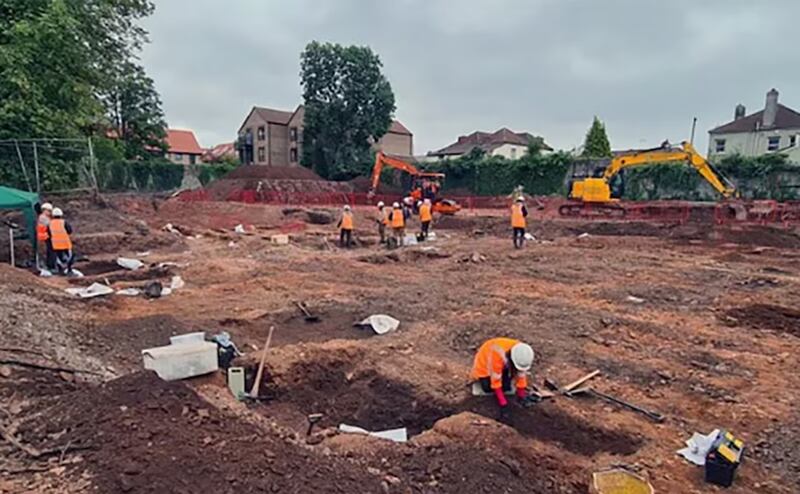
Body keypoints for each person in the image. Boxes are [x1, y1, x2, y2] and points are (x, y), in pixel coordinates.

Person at [470, 338, 537, 422]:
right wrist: (503, 404)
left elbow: (521, 375)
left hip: (503, 361)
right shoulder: (497, 355)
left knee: (506, 387)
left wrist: (521, 395)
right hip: (486, 363)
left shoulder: (521, 352)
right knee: (487, 388)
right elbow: (495, 382)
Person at [48, 207, 74, 275]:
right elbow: (70, 230)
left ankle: (60, 270)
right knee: (69, 256)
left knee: (57, 257)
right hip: (65, 243)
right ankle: (69, 270)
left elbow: (49, 233)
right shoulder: (64, 222)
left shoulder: (50, 223)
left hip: (55, 244)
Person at [36, 202, 54, 271]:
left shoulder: (45, 217)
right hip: (43, 238)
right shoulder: (43, 217)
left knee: (48, 252)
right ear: (44, 210)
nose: (50, 212)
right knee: (45, 252)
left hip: (45, 237)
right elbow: (50, 225)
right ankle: (45, 266)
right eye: (49, 211)